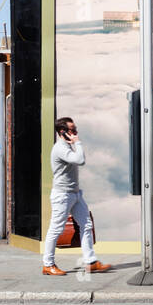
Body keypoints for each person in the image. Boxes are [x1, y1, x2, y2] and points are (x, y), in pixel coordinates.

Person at [43, 116, 111, 276]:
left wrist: (74, 142)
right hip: (62, 195)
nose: (76, 132)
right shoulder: (60, 148)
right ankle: (48, 264)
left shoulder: (66, 145)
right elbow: (80, 160)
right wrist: (77, 142)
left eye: (75, 129)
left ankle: (90, 262)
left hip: (75, 194)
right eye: (73, 130)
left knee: (86, 225)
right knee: (56, 229)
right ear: (62, 132)